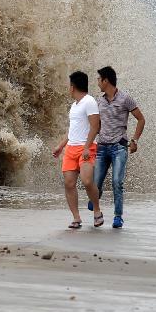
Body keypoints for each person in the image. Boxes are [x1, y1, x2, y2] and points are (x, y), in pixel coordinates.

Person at [88, 66, 147, 229]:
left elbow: (141, 119)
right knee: (96, 184)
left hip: (119, 147)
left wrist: (135, 140)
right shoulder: (98, 101)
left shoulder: (125, 99)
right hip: (101, 147)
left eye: (99, 79)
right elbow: (96, 125)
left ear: (106, 80)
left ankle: (118, 216)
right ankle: (95, 198)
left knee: (117, 182)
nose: (98, 82)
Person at [52, 71, 104, 229]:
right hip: (71, 148)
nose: (69, 88)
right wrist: (61, 146)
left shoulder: (90, 102)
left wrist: (87, 147)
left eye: (69, 85)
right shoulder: (74, 106)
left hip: (86, 147)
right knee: (69, 184)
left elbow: (95, 126)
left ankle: (97, 211)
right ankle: (76, 218)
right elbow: (73, 130)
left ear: (72, 86)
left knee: (87, 181)